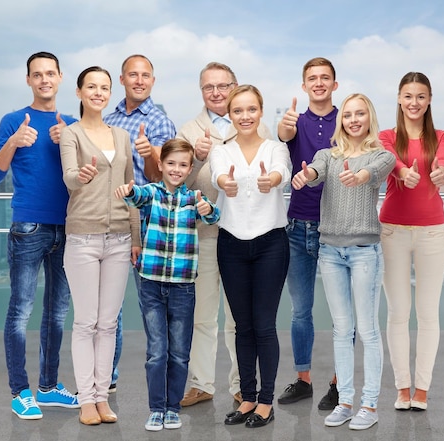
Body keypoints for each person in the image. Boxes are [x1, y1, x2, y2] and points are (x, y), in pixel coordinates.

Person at [0, 51, 80, 420]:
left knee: (57, 314)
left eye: (50, 73)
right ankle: (19, 392)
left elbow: (90, 174)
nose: (44, 80)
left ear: (59, 78)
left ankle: (50, 387)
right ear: (28, 80)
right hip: (29, 228)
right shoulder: (13, 120)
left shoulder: (71, 123)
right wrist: (15, 141)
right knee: (21, 311)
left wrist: (68, 141)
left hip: (68, 228)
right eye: (37, 74)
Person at [292, 93, 394, 430]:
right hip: (330, 252)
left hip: (364, 250)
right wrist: (306, 176)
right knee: (341, 329)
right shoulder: (327, 155)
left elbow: (378, 170)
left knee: (367, 330)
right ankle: (346, 401)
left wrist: (361, 176)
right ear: (342, 121)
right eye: (348, 114)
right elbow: (317, 172)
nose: (353, 119)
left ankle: (369, 405)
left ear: (369, 118)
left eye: (360, 114)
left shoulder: (379, 154)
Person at [176, 62, 273, 407]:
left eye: (223, 86)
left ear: (234, 86)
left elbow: (271, 174)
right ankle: (201, 383)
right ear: (201, 91)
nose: (216, 92)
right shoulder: (189, 130)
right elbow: (177, 183)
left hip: (243, 234)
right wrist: (198, 160)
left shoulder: (253, 126)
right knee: (203, 314)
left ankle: (241, 384)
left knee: (239, 317)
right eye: (208, 87)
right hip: (202, 234)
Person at [114, 139, 220, 432]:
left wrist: (205, 205)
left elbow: (213, 215)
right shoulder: (151, 193)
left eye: (183, 165)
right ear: (160, 165)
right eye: (170, 163)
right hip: (151, 283)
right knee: (157, 351)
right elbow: (135, 197)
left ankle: (173, 408)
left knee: (179, 352)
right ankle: (156, 408)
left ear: (189, 169)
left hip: (183, 286)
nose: (176, 169)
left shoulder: (192, 198)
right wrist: (128, 191)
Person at [59, 66, 141, 425]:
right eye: (91, 86)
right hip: (83, 238)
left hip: (121, 238)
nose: (98, 92)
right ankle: (86, 400)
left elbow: (132, 188)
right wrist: (82, 175)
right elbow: (69, 178)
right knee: (86, 323)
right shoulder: (70, 134)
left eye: (104, 87)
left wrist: (136, 237)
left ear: (110, 93)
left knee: (108, 323)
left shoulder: (121, 136)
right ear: (79, 92)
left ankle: (102, 396)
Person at [210, 85, 291, 429]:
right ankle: (246, 397)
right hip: (231, 243)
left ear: (260, 112)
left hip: (271, 243)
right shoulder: (221, 151)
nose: (245, 116)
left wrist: (269, 180)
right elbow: (218, 178)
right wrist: (225, 186)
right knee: (241, 327)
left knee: (264, 325)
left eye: (251, 109)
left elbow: (280, 174)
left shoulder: (276, 149)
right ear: (230, 114)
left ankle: (266, 402)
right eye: (238, 110)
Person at [379, 72, 444, 411]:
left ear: (429, 100)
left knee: (427, 313)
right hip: (392, 232)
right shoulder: (384, 137)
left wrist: (439, 172)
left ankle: (422, 389)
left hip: (432, 233)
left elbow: (443, 161)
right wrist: (400, 171)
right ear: (399, 98)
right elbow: (387, 160)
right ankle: (402, 388)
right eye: (408, 96)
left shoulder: (442, 136)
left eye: (420, 96)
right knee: (397, 312)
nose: (414, 102)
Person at [103, 54, 176, 392]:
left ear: (153, 81)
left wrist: (150, 153)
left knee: (153, 306)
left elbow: (163, 176)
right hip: (111, 219)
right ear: (122, 79)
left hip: (148, 224)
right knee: (110, 306)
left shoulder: (160, 122)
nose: (139, 80)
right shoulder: (108, 119)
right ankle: (107, 379)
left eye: (146, 75)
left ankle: (160, 385)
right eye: (133, 74)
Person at [276, 56, 340, 409]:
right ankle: (303, 380)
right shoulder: (294, 121)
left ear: (334, 84)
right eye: (312, 78)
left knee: (341, 313)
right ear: (304, 86)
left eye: (324, 77)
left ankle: (338, 382)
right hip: (297, 228)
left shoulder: (347, 119)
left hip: (335, 227)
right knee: (301, 312)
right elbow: (284, 137)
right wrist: (286, 127)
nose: (318, 83)